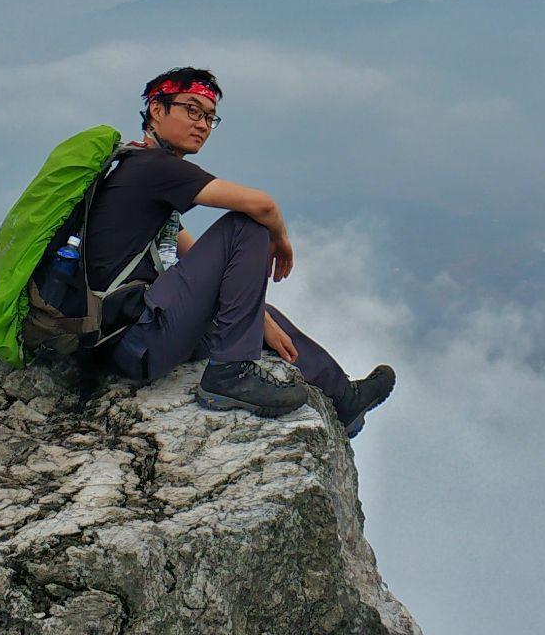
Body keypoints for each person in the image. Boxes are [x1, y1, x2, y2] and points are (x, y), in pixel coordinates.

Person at [37, 66, 395, 435]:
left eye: (209, 117)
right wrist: (281, 239)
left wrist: (257, 317)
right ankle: (230, 372)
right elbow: (263, 206)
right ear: (157, 111)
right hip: (136, 342)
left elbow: (183, 244)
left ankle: (343, 400)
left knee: (254, 313)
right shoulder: (154, 168)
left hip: (114, 341)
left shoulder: (131, 162)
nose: (202, 125)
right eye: (191, 110)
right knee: (247, 226)